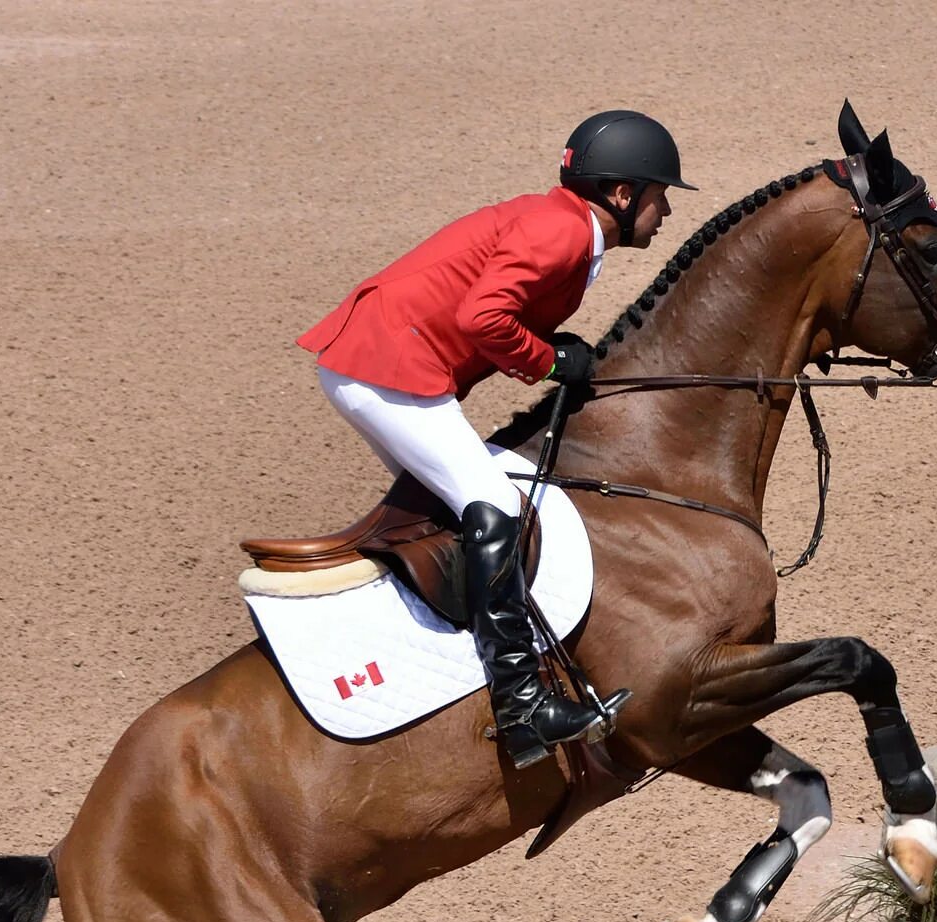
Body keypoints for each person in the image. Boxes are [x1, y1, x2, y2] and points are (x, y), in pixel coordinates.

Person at [297, 110, 694, 769]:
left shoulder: (565, 225)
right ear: (623, 196)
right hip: (386, 367)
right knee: (494, 503)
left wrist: (549, 348)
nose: (665, 212)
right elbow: (482, 317)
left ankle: (438, 656)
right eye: (660, 195)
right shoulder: (565, 232)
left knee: (450, 509)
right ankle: (521, 706)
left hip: (378, 362)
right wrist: (546, 362)